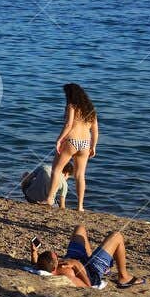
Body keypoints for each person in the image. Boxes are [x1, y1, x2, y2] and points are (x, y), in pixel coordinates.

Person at [31, 226, 143, 288]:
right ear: (54, 266)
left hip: (74, 257)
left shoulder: (46, 266)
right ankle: (124, 277)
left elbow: (36, 265)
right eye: (55, 256)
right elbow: (87, 285)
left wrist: (34, 252)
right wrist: (75, 265)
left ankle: (102, 264)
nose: (56, 254)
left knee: (80, 229)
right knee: (116, 236)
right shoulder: (67, 274)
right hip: (92, 269)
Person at [49, 83, 99, 211]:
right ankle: (80, 206)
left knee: (56, 169)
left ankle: (49, 199)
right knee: (80, 175)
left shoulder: (72, 106)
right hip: (85, 144)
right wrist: (93, 146)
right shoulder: (91, 110)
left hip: (72, 141)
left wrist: (59, 139)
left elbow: (68, 125)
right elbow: (95, 131)